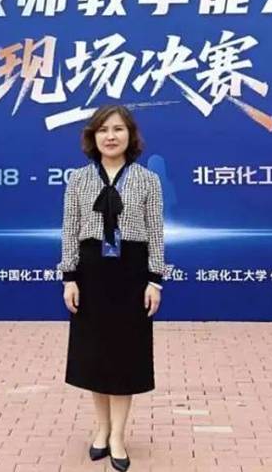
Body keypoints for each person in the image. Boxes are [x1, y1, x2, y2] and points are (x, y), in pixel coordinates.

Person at [58, 104, 168, 472]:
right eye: (103, 129)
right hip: (91, 275)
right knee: (95, 356)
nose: (110, 136)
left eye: (118, 129)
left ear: (130, 135)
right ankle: (101, 429)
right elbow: (69, 230)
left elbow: (156, 233)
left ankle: (118, 436)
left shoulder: (147, 180)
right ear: (93, 136)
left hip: (131, 274)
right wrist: (69, 277)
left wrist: (154, 280)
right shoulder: (78, 179)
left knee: (125, 357)